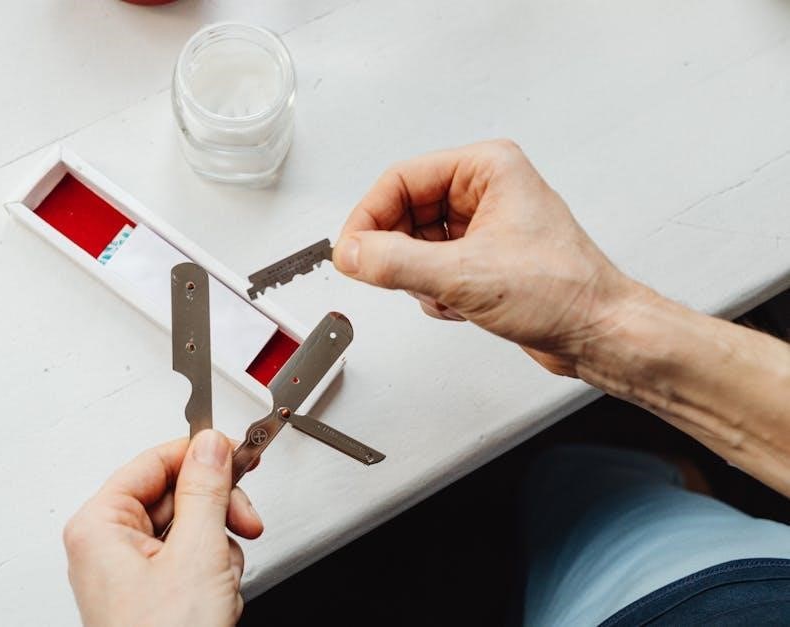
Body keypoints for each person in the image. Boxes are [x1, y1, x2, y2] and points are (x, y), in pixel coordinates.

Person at [64, 140, 790, 625]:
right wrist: (594, 320)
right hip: (725, 578)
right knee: (589, 487)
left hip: (685, 585)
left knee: (588, 490)